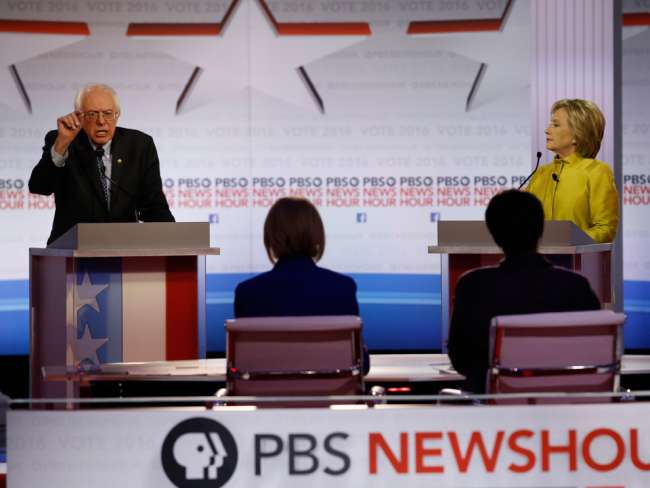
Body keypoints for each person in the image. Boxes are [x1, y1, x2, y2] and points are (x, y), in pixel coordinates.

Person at [447, 190, 600, 393]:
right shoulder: (575, 286)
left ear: (493, 233)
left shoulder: (473, 286)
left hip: (493, 413)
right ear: (541, 229)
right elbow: (595, 354)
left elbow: (461, 360)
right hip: (564, 412)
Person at [234, 196, 370, 374]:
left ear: (271, 238)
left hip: (269, 400)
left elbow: (242, 365)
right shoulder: (342, 288)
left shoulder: (248, 293)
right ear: (316, 235)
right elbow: (361, 365)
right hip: (330, 398)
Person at [29, 83, 174, 245]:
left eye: (108, 113)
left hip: (125, 250)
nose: (101, 121)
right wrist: (62, 143)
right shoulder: (62, 140)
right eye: (92, 114)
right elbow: (39, 186)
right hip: (72, 251)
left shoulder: (139, 145)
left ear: (117, 115)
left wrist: (174, 241)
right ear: (79, 117)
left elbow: (154, 204)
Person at [526, 98, 618, 243]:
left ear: (577, 134)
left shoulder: (596, 171)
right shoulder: (541, 173)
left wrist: (566, 242)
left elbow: (605, 229)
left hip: (577, 263)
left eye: (555, 125)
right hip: (537, 263)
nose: (547, 130)